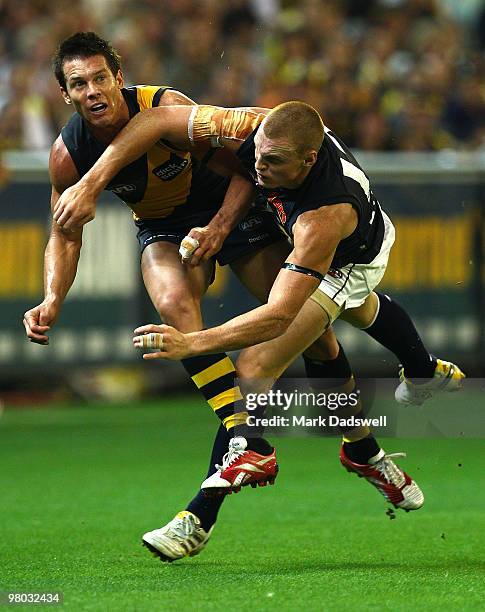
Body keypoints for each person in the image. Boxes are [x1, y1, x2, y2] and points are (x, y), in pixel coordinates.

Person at [52, 99, 465, 560]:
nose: (257, 166)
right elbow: (155, 120)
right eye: (257, 154)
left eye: (273, 161)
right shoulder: (251, 129)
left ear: (308, 160)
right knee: (337, 329)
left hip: (350, 261)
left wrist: (192, 342)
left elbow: (277, 316)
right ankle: (384, 422)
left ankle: (198, 518)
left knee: (256, 364)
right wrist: (91, 183)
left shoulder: (324, 217)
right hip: (292, 228)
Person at [22, 33, 379, 558]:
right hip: (164, 228)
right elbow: (65, 232)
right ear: (64, 94)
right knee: (172, 302)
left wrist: (217, 227)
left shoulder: (170, 109)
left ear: (119, 78)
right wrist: (52, 297)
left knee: (312, 331)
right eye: (80, 84)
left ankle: (360, 444)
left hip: (236, 212)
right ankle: (246, 437)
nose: (94, 90)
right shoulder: (67, 155)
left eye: (101, 78)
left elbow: (247, 168)